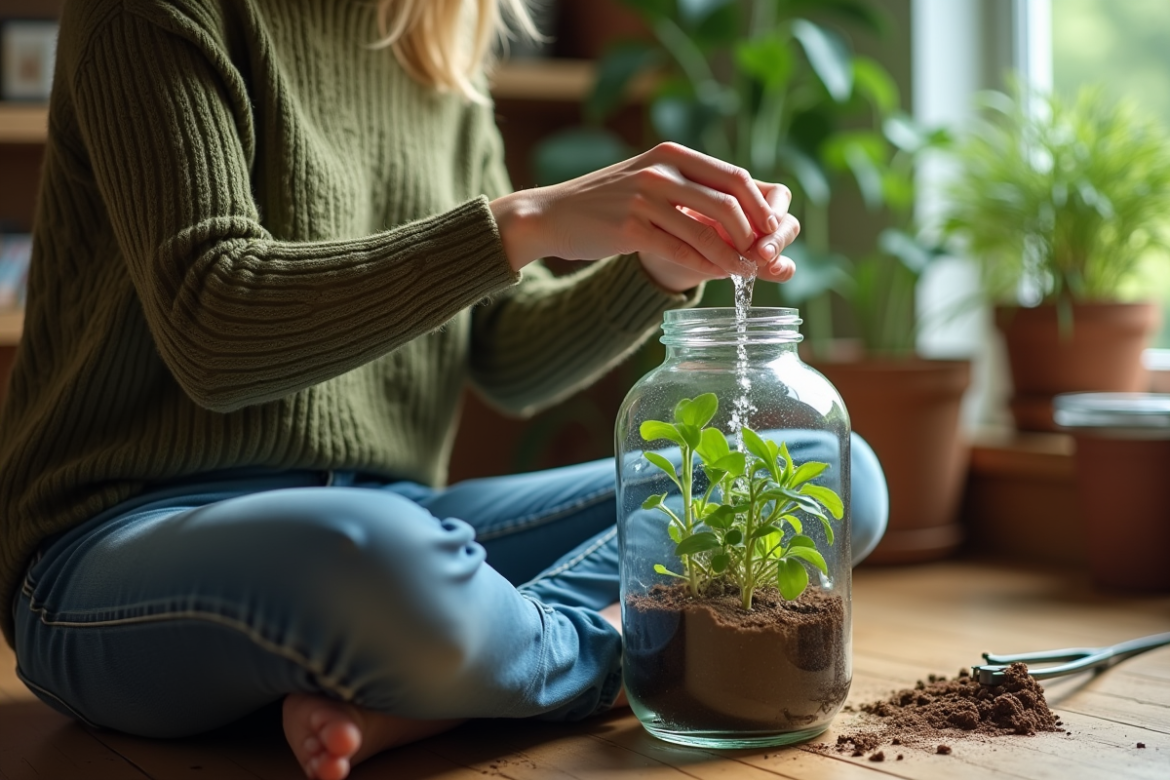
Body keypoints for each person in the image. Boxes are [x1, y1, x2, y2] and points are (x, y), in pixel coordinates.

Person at [0, 2, 888, 779]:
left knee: (835, 469)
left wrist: (650, 269)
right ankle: (616, 657)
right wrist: (525, 221)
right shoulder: (153, 8)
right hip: (118, 546)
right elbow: (213, 327)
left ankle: (455, 672)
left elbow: (508, 358)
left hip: (401, 517)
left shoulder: (434, 39)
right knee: (373, 559)